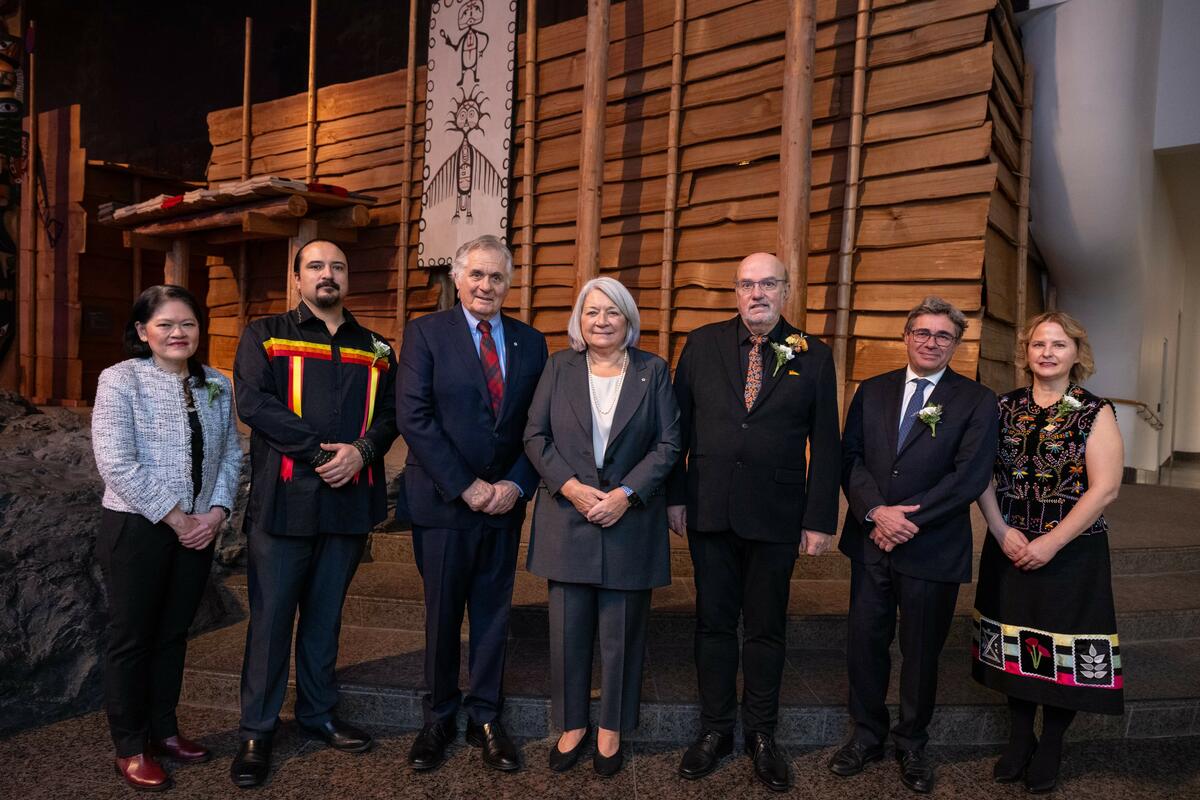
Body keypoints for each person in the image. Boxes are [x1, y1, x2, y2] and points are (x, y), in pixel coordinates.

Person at [668, 252, 841, 792]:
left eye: (768, 283)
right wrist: (676, 496)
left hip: (776, 513)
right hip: (710, 508)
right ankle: (715, 730)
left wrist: (819, 518)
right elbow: (678, 426)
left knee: (766, 629)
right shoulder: (701, 343)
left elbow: (827, 442)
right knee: (714, 625)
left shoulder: (812, 354)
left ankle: (762, 734)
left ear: (785, 291)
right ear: (735, 291)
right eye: (747, 284)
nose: (757, 293)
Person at [230, 240, 399, 788]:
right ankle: (257, 730)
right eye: (317, 266)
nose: (328, 275)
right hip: (284, 503)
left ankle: (318, 714)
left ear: (348, 278)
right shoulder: (266, 333)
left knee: (325, 619)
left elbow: (393, 413)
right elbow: (255, 403)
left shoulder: (376, 347)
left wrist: (362, 453)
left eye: (338, 267)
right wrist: (324, 452)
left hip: (349, 501)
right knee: (272, 621)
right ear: (297, 277)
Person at [831, 296, 998, 794]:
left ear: (956, 344)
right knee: (865, 644)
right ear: (906, 337)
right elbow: (851, 458)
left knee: (922, 652)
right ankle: (865, 736)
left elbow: (968, 476)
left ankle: (912, 744)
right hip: (870, 541)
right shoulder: (873, 390)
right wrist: (875, 513)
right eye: (922, 333)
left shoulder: (976, 400)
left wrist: (908, 520)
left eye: (943, 335)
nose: (931, 342)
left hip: (932, 547)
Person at [397, 234, 548, 773]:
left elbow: (540, 425)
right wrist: (466, 485)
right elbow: (414, 416)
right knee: (442, 615)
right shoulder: (425, 334)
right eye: (477, 275)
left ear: (510, 283)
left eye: (498, 277)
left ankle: (486, 714)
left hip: (504, 504)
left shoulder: (532, 343)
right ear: (457, 279)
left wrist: (516, 484)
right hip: (443, 503)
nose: (487, 285)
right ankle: (438, 716)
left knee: (492, 614)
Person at [524, 277, 681, 777]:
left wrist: (626, 494)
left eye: (613, 312)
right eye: (592, 312)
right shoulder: (557, 366)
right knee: (567, 632)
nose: (602, 321)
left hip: (628, 521)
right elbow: (535, 434)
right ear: (579, 320)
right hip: (568, 516)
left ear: (628, 319)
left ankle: (611, 727)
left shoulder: (653, 371)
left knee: (623, 634)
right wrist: (568, 486)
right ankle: (572, 724)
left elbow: (669, 445)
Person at [91, 285, 242, 791]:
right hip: (138, 527)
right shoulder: (120, 380)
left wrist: (217, 512)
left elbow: (231, 456)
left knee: (174, 634)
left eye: (188, 324)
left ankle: (166, 730)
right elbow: (116, 461)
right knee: (132, 638)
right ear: (142, 331)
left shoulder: (217, 383)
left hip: (199, 530)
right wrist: (179, 520)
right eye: (165, 325)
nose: (178, 333)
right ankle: (131, 746)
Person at [972, 311, 1123, 794]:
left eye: (1059, 345)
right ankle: (1019, 740)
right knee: (1016, 646)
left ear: (1076, 353)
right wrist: (998, 531)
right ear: (1026, 352)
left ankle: (1052, 742)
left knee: (1065, 651)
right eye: (1039, 344)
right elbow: (982, 474)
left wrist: (1053, 542)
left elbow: (1105, 489)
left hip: (1072, 552)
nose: (1048, 353)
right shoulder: (1002, 406)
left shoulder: (1094, 410)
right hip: (1011, 546)